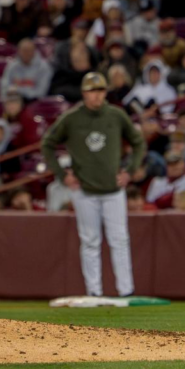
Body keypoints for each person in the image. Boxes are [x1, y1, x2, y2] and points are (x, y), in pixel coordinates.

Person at [42, 72, 146, 297]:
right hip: (84, 190)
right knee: (90, 242)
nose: (96, 96)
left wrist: (130, 170)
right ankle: (94, 292)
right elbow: (48, 143)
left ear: (105, 93)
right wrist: (62, 175)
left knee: (119, 240)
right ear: (84, 93)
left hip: (113, 189)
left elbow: (138, 141)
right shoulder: (71, 118)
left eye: (100, 91)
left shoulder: (116, 115)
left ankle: (126, 291)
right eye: (92, 91)